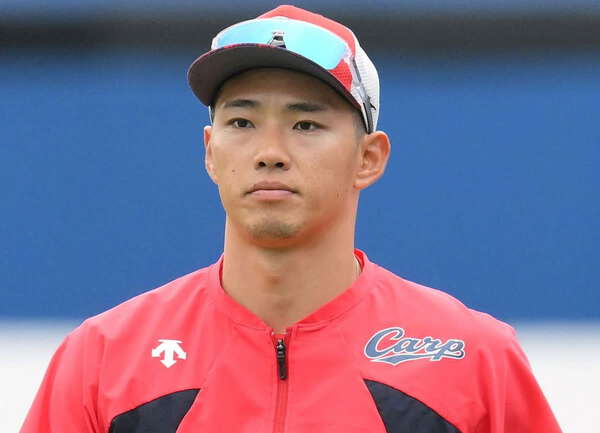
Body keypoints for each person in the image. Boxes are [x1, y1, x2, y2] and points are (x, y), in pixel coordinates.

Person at [21, 5, 562, 433]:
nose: (270, 152)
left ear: (369, 158)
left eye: (306, 125)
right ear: (210, 152)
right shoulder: (105, 359)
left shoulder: (473, 358)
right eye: (241, 122)